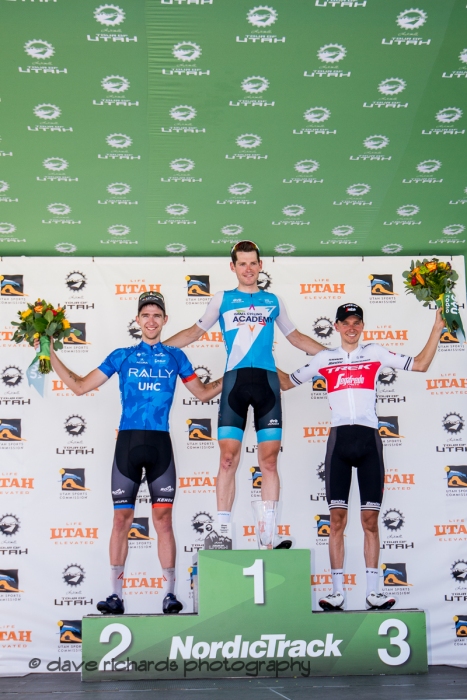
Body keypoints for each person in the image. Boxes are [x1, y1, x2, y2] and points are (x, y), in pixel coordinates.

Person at [41, 291, 222, 615]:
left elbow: (204, 393)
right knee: (121, 519)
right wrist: (50, 350)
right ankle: (115, 596)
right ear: (137, 320)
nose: (151, 320)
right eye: (145, 315)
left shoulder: (175, 357)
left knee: (163, 520)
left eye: (157, 315)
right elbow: (80, 385)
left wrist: (236, 371)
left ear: (165, 321)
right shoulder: (122, 356)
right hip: (127, 444)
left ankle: (170, 593)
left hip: (159, 445)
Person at [278, 302, 445, 610]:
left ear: (362, 326)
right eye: (346, 322)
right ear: (337, 326)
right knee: (337, 519)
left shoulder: (376, 353)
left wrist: (437, 328)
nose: (351, 327)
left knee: (370, 521)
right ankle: (336, 591)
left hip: (369, 442)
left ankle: (374, 591)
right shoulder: (325, 359)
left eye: (357, 322)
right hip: (339, 442)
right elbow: (286, 382)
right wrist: (256, 358)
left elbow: (420, 364)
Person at [164, 240, 324, 539]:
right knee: (227, 459)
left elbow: (297, 338)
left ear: (261, 266)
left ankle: (269, 535)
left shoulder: (273, 300)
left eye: (253, 263)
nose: (248, 269)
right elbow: (194, 332)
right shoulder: (222, 299)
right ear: (233, 267)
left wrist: (332, 356)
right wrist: (157, 350)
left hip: (267, 384)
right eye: (242, 264)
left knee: (269, 460)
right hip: (234, 384)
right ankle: (222, 532)